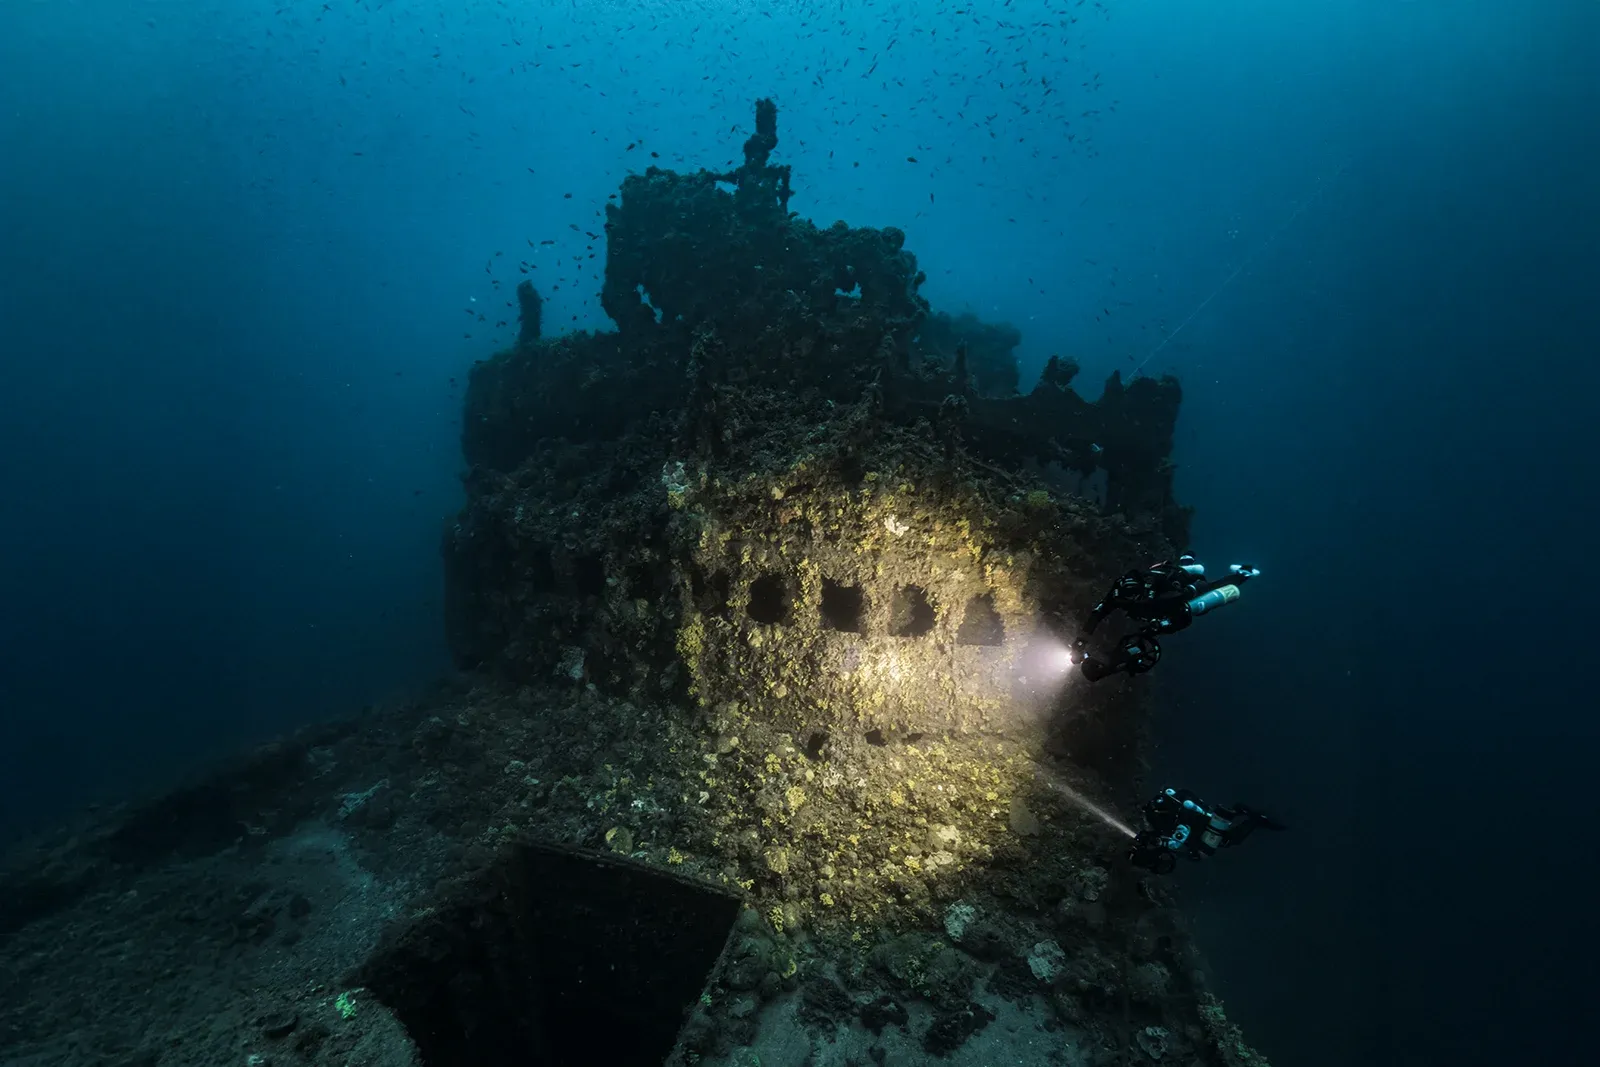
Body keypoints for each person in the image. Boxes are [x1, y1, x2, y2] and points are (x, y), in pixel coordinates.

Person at [1068, 554, 1260, 682]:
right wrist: (1080, 641)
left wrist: (1160, 624)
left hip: (1178, 593)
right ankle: (1189, 561)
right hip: (1167, 589)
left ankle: (1243, 574)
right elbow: (1097, 613)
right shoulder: (1118, 592)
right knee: (1189, 582)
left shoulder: (1156, 592)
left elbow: (1185, 602)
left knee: (1204, 593)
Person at [1127, 787, 1286, 874]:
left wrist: (1163, 842)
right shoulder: (1167, 819)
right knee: (1225, 838)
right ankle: (1239, 813)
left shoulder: (1168, 824)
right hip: (1199, 822)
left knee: (1229, 839)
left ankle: (1250, 819)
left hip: (1198, 826)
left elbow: (1179, 836)